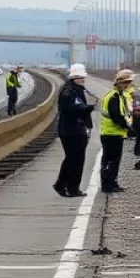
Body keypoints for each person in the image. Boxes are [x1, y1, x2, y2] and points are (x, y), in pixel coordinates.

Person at [54, 63, 94, 197]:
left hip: (75, 129)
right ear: (74, 78)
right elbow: (70, 109)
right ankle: (71, 188)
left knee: (73, 159)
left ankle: (63, 185)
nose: (83, 79)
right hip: (71, 130)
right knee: (75, 160)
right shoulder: (69, 91)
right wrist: (88, 108)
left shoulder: (76, 89)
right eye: (80, 77)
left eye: (83, 77)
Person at [100, 68, 134, 193]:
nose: (127, 85)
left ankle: (112, 183)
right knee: (110, 160)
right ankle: (107, 185)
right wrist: (128, 128)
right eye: (125, 82)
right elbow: (116, 116)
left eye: (128, 83)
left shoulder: (121, 96)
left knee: (114, 161)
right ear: (119, 82)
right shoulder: (114, 96)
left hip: (116, 133)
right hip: (110, 133)